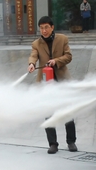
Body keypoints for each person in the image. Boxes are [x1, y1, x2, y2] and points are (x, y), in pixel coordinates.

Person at [28, 16, 77, 154]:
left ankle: (71, 142)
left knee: (67, 112)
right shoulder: (36, 44)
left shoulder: (62, 39)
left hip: (62, 81)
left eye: (46, 27)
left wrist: (56, 61)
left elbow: (68, 56)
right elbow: (33, 55)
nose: (44, 31)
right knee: (48, 114)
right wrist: (31, 64)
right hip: (46, 84)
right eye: (41, 28)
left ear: (52, 27)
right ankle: (53, 144)